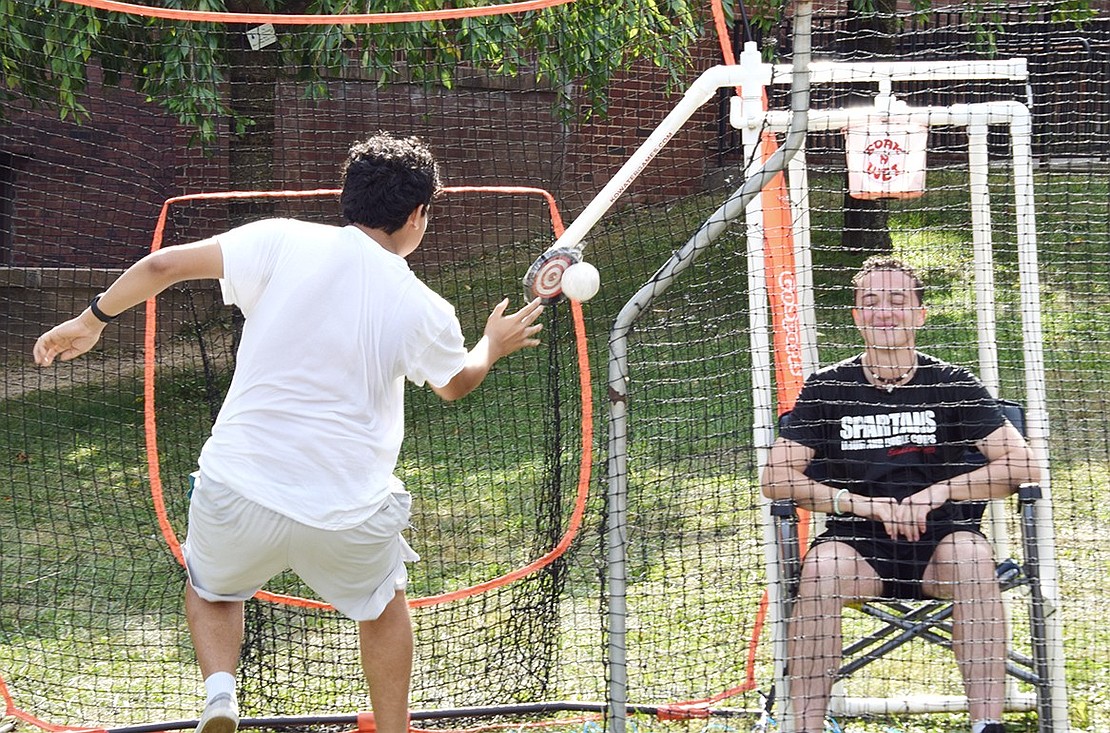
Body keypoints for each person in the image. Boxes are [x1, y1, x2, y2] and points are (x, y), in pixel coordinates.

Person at [33, 132, 545, 733]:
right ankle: (395, 729)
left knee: (213, 590)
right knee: (382, 609)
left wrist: (91, 320)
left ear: (349, 199)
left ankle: (220, 696)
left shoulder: (280, 238)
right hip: (345, 509)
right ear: (415, 216)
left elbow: (162, 265)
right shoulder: (423, 305)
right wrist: (494, 342)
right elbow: (455, 383)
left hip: (237, 487)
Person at [760, 256, 1039, 733]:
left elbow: (1023, 465)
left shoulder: (953, 385)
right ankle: (804, 725)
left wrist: (936, 494)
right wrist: (858, 503)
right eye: (870, 301)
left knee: (974, 560)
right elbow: (776, 477)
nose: (884, 311)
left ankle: (987, 725)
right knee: (822, 569)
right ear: (855, 315)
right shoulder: (828, 388)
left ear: (919, 314)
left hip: (945, 544)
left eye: (897, 300)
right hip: (857, 547)